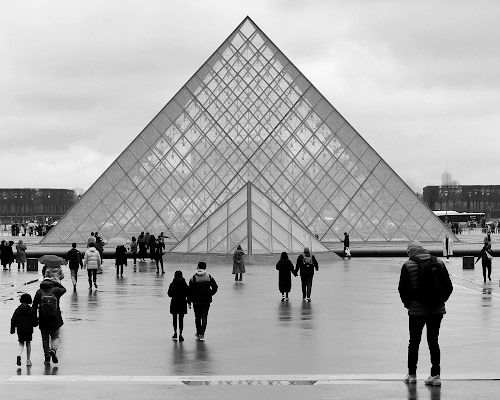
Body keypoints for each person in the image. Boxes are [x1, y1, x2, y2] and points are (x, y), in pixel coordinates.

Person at [398, 241, 453, 386]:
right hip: (437, 310)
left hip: (416, 311)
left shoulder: (408, 265)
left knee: (414, 343)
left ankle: (412, 375)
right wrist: (440, 301)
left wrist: (409, 305)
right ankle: (436, 375)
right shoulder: (439, 262)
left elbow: (402, 289)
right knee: (433, 341)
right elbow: (449, 287)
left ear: (411, 252)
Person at [32, 277, 67, 365]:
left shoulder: (39, 292)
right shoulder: (56, 290)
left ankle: (47, 358)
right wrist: (56, 283)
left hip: (43, 319)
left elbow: (34, 306)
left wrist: (34, 318)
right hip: (55, 318)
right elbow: (64, 289)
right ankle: (53, 350)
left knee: (45, 339)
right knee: (55, 336)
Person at [188, 262, 218, 342]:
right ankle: (202, 334)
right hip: (206, 301)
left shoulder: (193, 278)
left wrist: (189, 301)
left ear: (198, 267)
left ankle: (198, 333)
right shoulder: (209, 277)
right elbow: (215, 287)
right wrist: (210, 294)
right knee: (204, 317)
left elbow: (190, 291)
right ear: (205, 268)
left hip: (196, 301)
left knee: (197, 318)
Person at [10, 293, 38, 366]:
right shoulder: (31, 310)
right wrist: (35, 324)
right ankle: (28, 360)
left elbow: (13, 319)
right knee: (28, 343)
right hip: (28, 329)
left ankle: (19, 355)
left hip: (20, 329)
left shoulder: (18, 310)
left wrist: (12, 329)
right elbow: (34, 321)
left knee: (21, 343)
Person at [168, 270, 189, 342]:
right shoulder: (184, 284)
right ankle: (180, 334)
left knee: (174, 318)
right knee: (181, 319)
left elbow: (169, 294)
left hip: (174, 301)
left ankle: (175, 332)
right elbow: (188, 293)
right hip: (182, 302)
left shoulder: (172, 284)